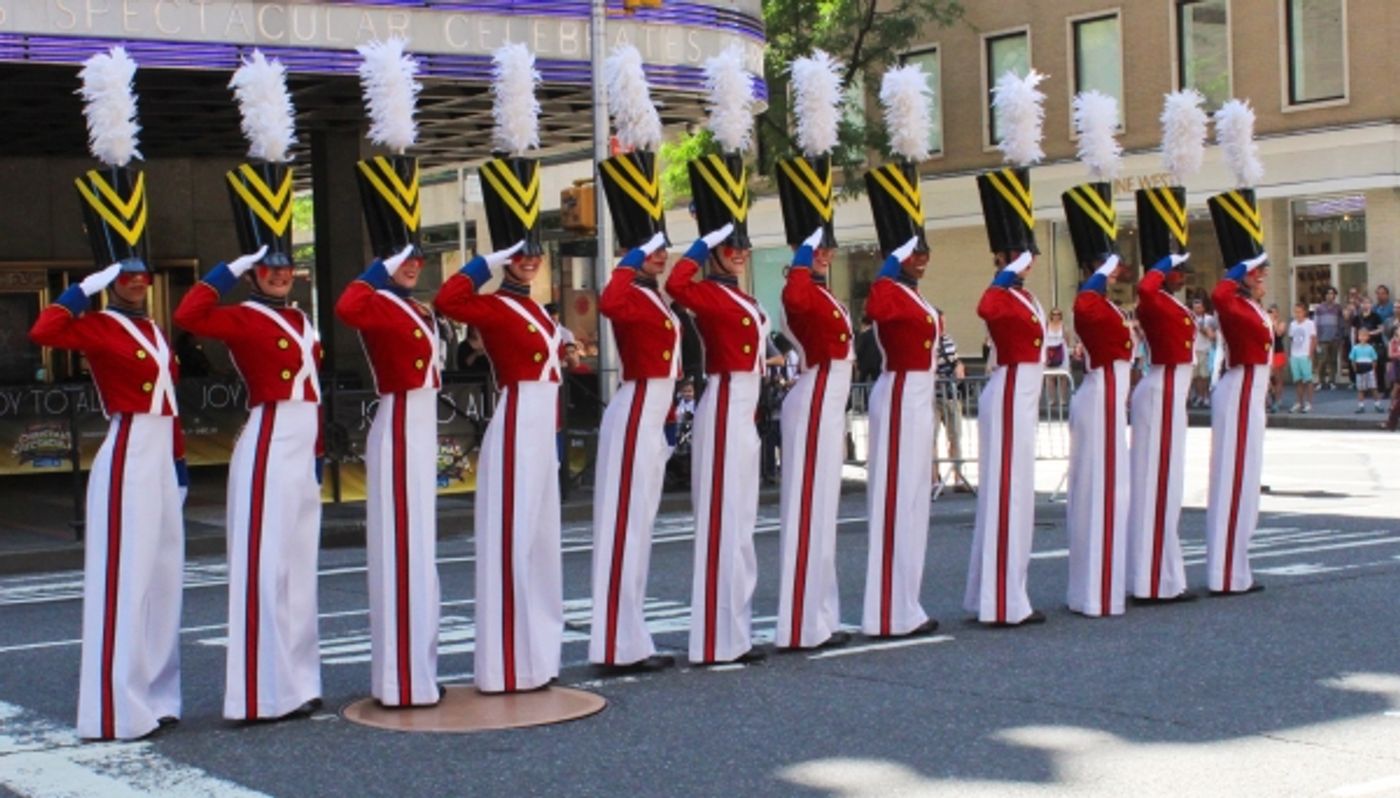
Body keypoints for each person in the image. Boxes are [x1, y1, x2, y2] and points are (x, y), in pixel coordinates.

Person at [31, 141, 187, 739]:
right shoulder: (97, 324)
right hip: (125, 450)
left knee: (163, 575)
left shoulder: (151, 325)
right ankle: (116, 708)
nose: (137, 283)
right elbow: (43, 329)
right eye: (125, 277)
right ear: (111, 282)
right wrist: (82, 286)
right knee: (124, 581)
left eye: (142, 276)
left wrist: (178, 462)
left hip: (160, 451)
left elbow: (169, 399)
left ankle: (157, 694)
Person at [335, 126, 444, 708]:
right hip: (400, 422)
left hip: (421, 426)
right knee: (401, 550)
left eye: (417, 256)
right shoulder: (376, 301)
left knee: (420, 550)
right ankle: (401, 679)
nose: (412, 264)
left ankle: (418, 670)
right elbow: (345, 306)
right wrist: (380, 268)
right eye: (403, 256)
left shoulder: (416, 307)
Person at [588, 113, 682, 672]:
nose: (660, 255)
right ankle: (615, 645)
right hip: (633, 408)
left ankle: (633, 639)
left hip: (654, 412)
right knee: (622, 527)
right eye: (651, 249)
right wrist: (629, 254)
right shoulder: (630, 289)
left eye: (661, 247)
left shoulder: (655, 294)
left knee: (641, 527)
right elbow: (607, 302)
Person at [773, 83, 858, 650]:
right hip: (814, 396)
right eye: (816, 245)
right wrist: (804, 248)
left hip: (832, 403)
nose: (824, 252)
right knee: (806, 513)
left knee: (823, 513)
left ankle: (821, 617)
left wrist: (815, 247)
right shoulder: (799, 288)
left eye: (828, 245)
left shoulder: (825, 291)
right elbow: (798, 301)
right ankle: (802, 624)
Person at [667, 216, 768, 664]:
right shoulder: (707, 292)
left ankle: (736, 632)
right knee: (723, 522)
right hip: (725, 397)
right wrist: (701, 243)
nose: (740, 252)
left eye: (743, 245)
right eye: (730, 247)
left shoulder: (739, 294)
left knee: (742, 521)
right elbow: (676, 283)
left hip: (746, 405)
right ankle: (716, 638)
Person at [859, 145, 943, 639]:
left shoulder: (912, 293)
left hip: (918, 396)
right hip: (898, 393)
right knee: (895, 502)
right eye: (914, 250)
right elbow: (876, 306)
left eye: (924, 250)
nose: (922, 258)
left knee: (913, 501)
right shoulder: (891, 289)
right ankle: (888, 609)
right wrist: (889, 264)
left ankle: (905, 603)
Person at [966, 160, 1047, 628]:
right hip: (1009, 388)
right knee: (1006, 497)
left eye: (1029, 252)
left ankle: (999, 593)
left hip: (1025, 393)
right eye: (1018, 252)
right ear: (1001, 255)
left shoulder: (1027, 296)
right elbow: (985, 307)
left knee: (1018, 498)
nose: (1027, 259)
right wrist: (1005, 271)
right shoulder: (1000, 291)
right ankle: (1003, 600)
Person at [1062, 178, 1131, 619]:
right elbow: (1083, 309)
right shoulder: (1091, 298)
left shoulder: (1105, 301)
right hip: (1100, 390)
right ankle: (1097, 593)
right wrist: (1099, 273)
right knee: (1101, 494)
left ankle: (1098, 589)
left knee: (1106, 493)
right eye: (1107, 264)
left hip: (1110, 392)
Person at [1126, 184, 1197, 605]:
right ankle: (1153, 580)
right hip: (1161, 386)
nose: (1183, 274)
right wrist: (1160, 263)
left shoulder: (1173, 301)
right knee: (1155, 485)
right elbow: (1145, 291)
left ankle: (1164, 576)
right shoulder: (1155, 298)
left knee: (1167, 486)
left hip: (1174, 389)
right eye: (1177, 269)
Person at [1203, 172, 1272, 597]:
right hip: (1240, 388)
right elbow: (1218, 295)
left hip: (1254, 392)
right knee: (1232, 480)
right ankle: (1226, 573)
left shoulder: (1251, 304)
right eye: (1258, 271)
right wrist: (1239, 267)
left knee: (1245, 482)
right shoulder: (1233, 300)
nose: (1262, 276)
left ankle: (1236, 568)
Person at [933, 324, 966, 490]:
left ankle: (958, 477)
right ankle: (934, 478)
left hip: (952, 395)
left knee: (955, 437)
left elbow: (955, 359)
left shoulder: (948, 340)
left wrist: (959, 366)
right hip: (933, 397)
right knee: (931, 438)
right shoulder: (928, 341)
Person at [1287, 302, 1317, 413]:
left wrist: (1310, 353)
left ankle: (1309, 403)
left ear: (1304, 312)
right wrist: (1290, 354)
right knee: (1298, 381)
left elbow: (1313, 339)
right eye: (1295, 312)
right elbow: (1291, 340)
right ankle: (1299, 402)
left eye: (1299, 312)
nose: (1297, 314)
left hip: (1305, 355)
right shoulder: (1293, 324)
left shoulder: (1310, 324)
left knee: (1308, 380)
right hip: (1295, 355)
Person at [1189, 298, 1217, 407]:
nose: (1197, 310)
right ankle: (1199, 396)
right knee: (1195, 376)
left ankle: (1206, 396)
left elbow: (1214, 336)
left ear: (1204, 308)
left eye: (1199, 307)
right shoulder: (1190, 319)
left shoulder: (1210, 319)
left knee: (1204, 376)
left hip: (1205, 350)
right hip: (1193, 350)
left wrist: (1203, 329)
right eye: (1195, 308)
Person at [1314, 287, 1343, 390]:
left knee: (1333, 360)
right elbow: (1316, 323)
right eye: (1328, 294)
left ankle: (1332, 381)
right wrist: (1316, 337)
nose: (1330, 296)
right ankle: (1321, 381)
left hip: (1334, 338)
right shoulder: (1319, 308)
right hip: (1323, 338)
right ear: (1325, 295)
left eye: (1332, 294)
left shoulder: (1338, 308)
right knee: (1322, 360)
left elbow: (1340, 323)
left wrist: (1339, 336)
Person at [1349, 328, 1383, 413]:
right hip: (1360, 370)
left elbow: (1374, 360)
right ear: (1358, 337)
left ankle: (1377, 405)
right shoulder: (1355, 348)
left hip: (1369, 370)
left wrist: (1373, 369)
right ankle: (1361, 406)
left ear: (1368, 337)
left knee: (1373, 388)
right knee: (1361, 389)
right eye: (1361, 336)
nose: (1363, 338)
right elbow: (1352, 359)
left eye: (1365, 336)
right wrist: (1355, 369)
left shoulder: (1370, 348)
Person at [1043, 308, 1070, 410]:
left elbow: (1067, 340)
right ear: (1051, 315)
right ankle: (1052, 399)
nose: (1056, 316)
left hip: (1061, 352)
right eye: (1054, 314)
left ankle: (1063, 399)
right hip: (1050, 352)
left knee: (1063, 376)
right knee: (1050, 377)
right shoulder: (1046, 326)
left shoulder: (1063, 326)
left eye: (1058, 314)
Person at [1266, 305, 1286, 413]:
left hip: (1278, 353)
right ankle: (1269, 400)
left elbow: (1279, 333)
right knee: (1269, 379)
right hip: (1268, 353)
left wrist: (1274, 323)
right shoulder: (1266, 324)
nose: (1272, 314)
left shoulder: (1281, 323)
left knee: (1278, 379)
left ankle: (1278, 400)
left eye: (1274, 312)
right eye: (1270, 312)